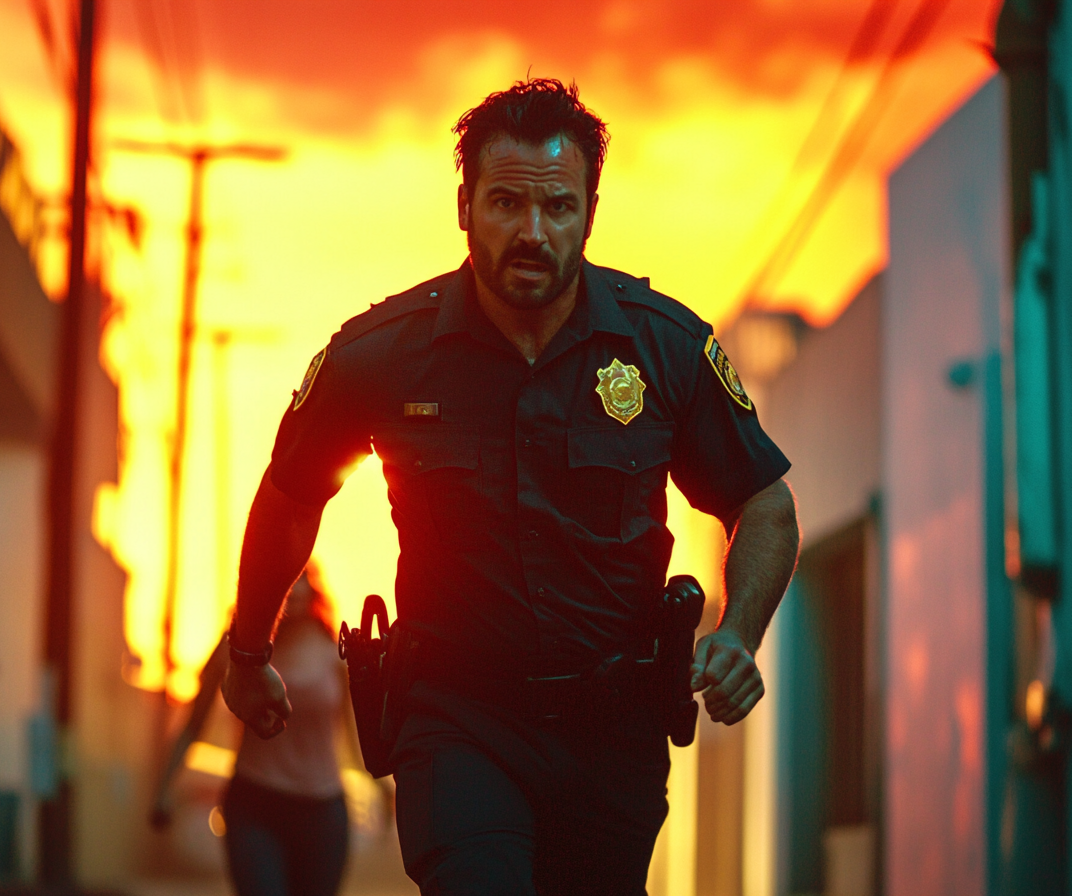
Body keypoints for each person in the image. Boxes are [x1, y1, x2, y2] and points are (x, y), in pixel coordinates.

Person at [221, 78, 800, 896]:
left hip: (613, 735)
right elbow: (291, 493)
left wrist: (740, 630)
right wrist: (248, 650)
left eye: (559, 208)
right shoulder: (383, 354)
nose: (532, 232)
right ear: (464, 206)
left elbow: (764, 502)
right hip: (458, 723)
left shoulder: (663, 349)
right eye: (505, 204)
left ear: (590, 211)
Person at [154, 566, 352, 896]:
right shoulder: (237, 650)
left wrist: (382, 788)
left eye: (300, 581)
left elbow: (353, 735)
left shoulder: (333, 653)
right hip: (256, 806)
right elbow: (194, 725)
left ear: (311, 590)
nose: (294, 592)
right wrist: (163, 788)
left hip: (323, 812)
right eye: (285, 583)